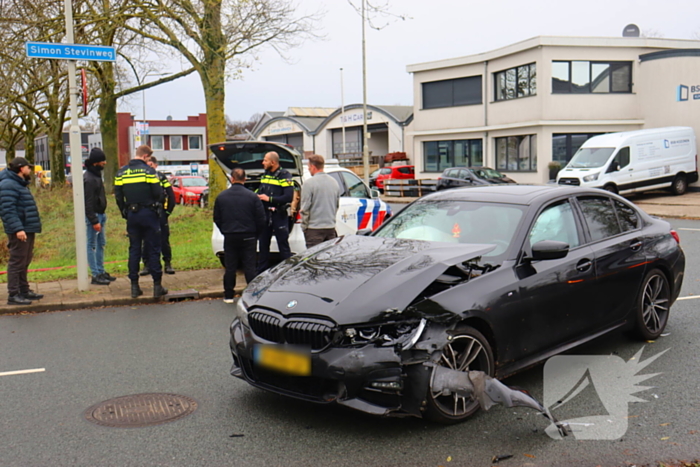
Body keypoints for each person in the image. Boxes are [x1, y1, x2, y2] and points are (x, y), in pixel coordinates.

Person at [114, 145, 168, 298]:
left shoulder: (121, 172)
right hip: (149, 214)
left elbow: (118, 196)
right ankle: (157, 286)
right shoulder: (149, 171)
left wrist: (124, 211)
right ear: (145, 156)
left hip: (132, 214)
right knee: (153, 249)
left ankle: (134, 287)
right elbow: (158, 193)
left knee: (134, 250)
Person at [214, 168, 266, 303]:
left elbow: (217, 218)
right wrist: (256, 234)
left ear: (232, 179)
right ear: (245, 179)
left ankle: (228, 295)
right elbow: (261, 219)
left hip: (230, 235)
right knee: (250, 266)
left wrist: (225, 230)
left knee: (230, 266)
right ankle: (252, 295)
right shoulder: (252, 197)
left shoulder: (221, 197)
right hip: (249, 235)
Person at [0, 157, 43, 305]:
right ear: (20, 168)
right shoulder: (8, 185)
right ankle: (13, 294)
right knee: (17, 261)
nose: (30, 170)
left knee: (25, 260)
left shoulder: (19, 184)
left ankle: (24, 290)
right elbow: (7, 210)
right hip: (20, 229)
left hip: (27, 227)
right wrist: (18, 228)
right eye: (28, 167)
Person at [256, 151, 294, 273]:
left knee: (283, 245)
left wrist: (270, 199)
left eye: (265, 160)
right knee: (263, 245)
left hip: (279, 214)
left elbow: (288, 197)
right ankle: (261, 273)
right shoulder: (265, 174)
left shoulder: (284, 175)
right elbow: (261, 189)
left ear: (273, 162)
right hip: (265, 214)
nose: (263, 162)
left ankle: (287, 272)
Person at [139, 155, 176, 276]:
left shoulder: (161, 177)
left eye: (151, 165)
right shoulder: (142, 177)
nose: (149, 167)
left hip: (160, 213)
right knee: (146, 240)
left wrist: (167, 212)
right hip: (147, 213)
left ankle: (167, 263)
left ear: (155, 165)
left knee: (164, 239)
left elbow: (171, 195)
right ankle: (147, 265)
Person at [83, 148, 115, 285]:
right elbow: (88, 202)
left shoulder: (95, 176)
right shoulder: (89, 179)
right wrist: (94, 220)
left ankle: (100, 271)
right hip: (95, 216)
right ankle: (95, 274)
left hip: (100, 214)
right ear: (96, 163)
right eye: (102, 161)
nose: (105, 163)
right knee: (92, 245)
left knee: (100, 244)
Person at [300, 154, 341, 248]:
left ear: (313, 167)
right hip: (330, 229)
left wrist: (304, 227)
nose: (308, 169)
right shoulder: (334, 182)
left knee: (314, 260)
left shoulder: (309, 183)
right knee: (328, 258)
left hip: (314, 230)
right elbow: (336, 205)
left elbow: (305, 208)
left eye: (309, 167)